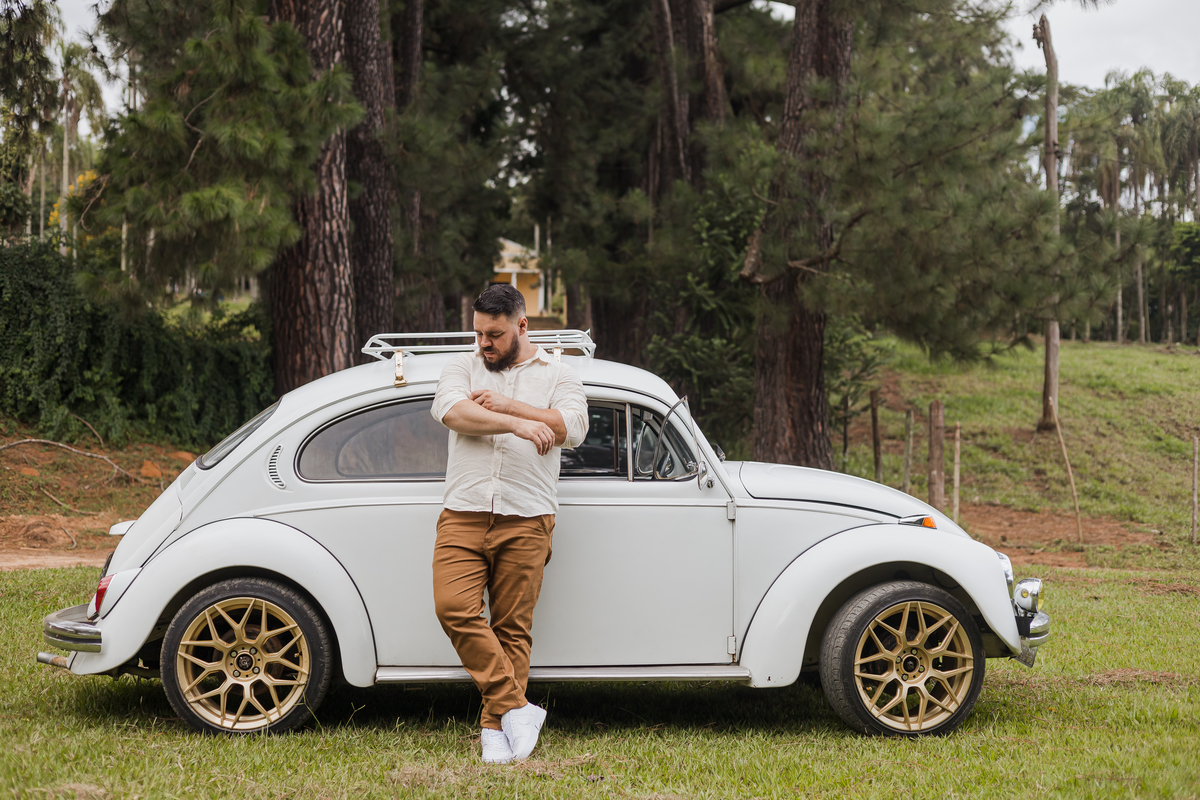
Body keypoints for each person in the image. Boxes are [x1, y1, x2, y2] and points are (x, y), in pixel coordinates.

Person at [429, 284, 588, 764]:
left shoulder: (560, 373)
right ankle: (518, 706)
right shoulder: (463, 365)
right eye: (478, 333)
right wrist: (517, 426)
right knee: (452, 607)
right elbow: (451, 411)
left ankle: (494, 729)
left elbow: (571, 429)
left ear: (522, 326)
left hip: (528, 513)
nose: (483, 343)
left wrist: (514, 407)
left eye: (494, 335)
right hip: (464, 511)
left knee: (512, 628)